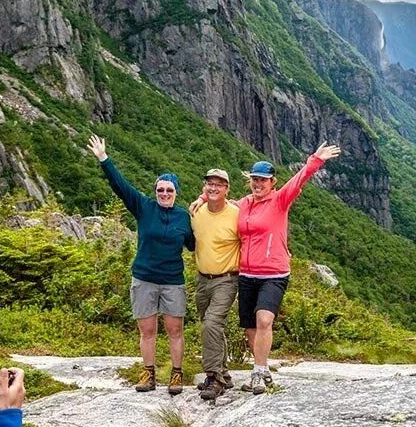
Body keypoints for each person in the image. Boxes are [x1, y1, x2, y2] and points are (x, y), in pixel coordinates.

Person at [192, 143, 340, 394]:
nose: (258, 184)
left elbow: (299, 179)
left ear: (272, 182)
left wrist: (315, 160)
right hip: (247, 274)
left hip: (274, 273)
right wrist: (204, 197)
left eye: (263, 180)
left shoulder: (280, 200)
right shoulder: (244, 204)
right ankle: (262, 369)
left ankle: (258, 372)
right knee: (250, 324)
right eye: (254, 179)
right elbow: (222, 201)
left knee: (264, 319)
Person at [87, 134, 195, 394]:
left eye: (169, 190)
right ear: (155, 191)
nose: (164, 193)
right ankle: (149, 373)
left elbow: (193, 244)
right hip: (144, 278)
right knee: (147, 330)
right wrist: (104, 159)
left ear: (176, 192)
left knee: (175, 330)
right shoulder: (144, 207)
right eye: (160, 190)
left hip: (172, 281)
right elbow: (120, 186)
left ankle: (176, 374)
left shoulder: (184, 216)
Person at [190, 168, 241, 401]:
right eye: (209, 183)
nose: (213, 188)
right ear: (204, 187)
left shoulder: (236, 214)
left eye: (219, 184)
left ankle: (214, 378)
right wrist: (199, 200)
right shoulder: (197, 211)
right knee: (210, 325)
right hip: (202, 279)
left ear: (226, 189)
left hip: (227, 279)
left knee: (211, 323)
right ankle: (225, 373)